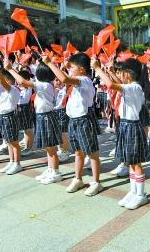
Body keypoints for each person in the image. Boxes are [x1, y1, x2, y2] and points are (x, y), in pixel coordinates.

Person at [93, 57, 150, 208]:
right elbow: (117, 83)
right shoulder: (130, 85)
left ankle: (141, 194)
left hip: (132, 126)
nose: (121, 74)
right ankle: (133, 191)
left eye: (122, 72)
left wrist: (98, 68)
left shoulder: (135, 87)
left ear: (129, 73)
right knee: (130, 161)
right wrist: (111, 72)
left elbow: (112, 85)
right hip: (125, 125)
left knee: (136, 162)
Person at [44, 53, 103, 196]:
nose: (69, 69)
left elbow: (64, 78)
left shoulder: (85, 80)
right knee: (78, 151)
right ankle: (78, 178)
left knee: (92, 152)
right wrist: (64, 67)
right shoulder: (77, 80)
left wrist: (49, 63)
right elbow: (65, 78)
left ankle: (96, 182)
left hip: (84, 120)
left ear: (82, 69)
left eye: (72, 67)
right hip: (74, 120)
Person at [5, 60, 63, 184]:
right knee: (48, 147)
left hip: (46, 117)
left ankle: (56, 172)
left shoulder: (44, 85)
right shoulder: (45, 84)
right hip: (43, 116)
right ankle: (50, 169)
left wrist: (10, 69)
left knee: (50, 147)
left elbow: (21, 81)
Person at [0, 59, 22, 174]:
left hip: (9, 117)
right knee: (8, 141)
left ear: (7, 80)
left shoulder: (12, 89)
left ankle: (17, 164)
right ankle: (12, 161)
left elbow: (1, 81)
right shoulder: (4, 89)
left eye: (2, 80)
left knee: (13, 141)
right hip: (3, 117)